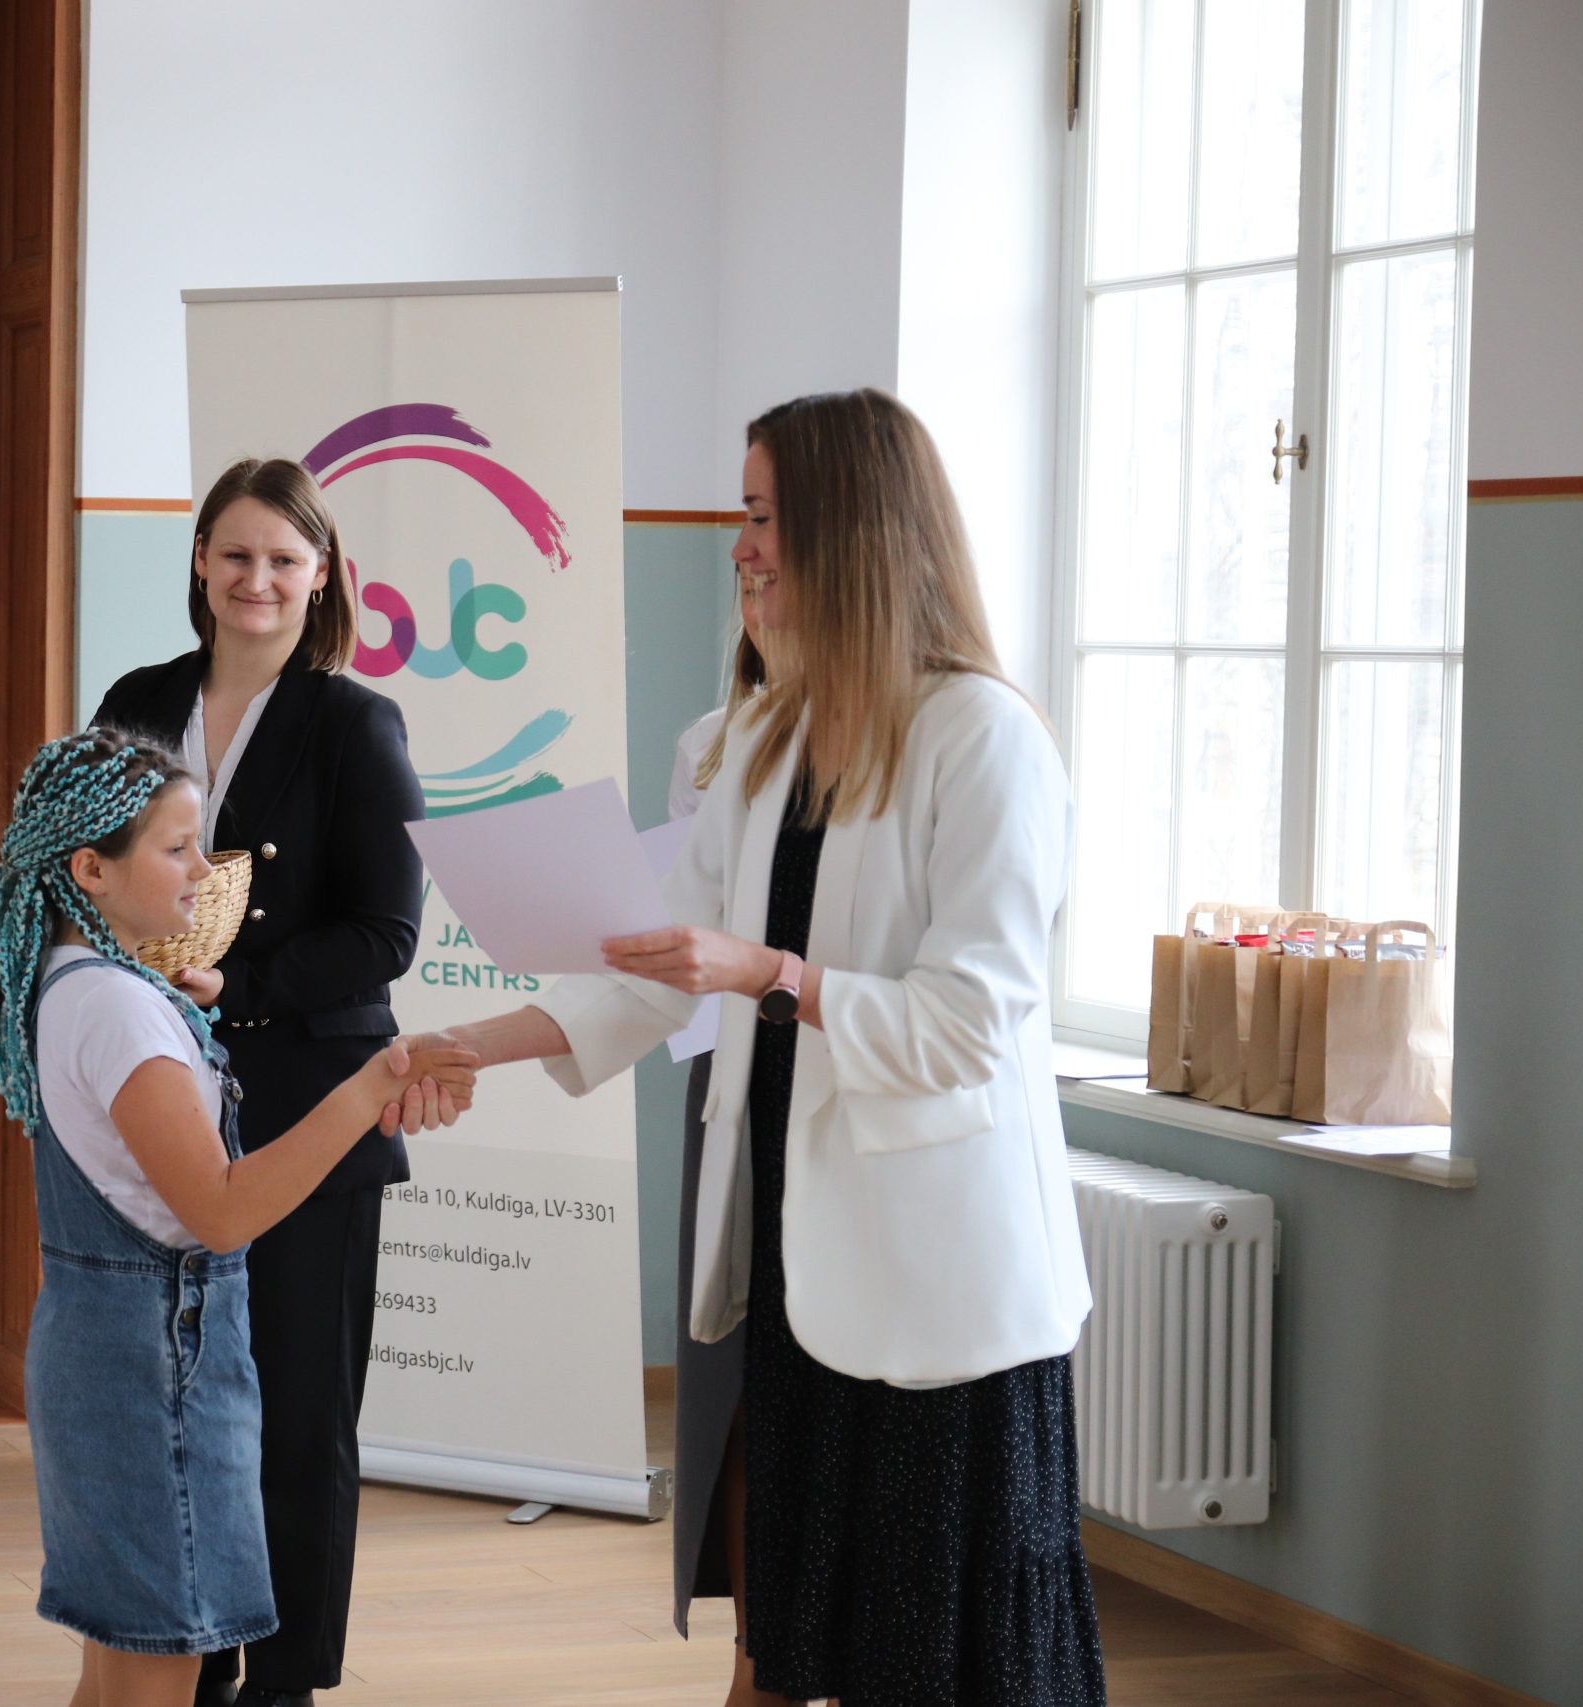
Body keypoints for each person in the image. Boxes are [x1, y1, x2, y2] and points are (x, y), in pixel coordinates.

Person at [421, 390, 1105, 1707]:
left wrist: (773, 976)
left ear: (851, 529)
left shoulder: (986, 738)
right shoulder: (767, 736)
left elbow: (969, 1023)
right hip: (800, 1254)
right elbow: (650, 959)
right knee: (793, 1637)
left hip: (941, 1277)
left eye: (761, 515)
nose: (738, 546)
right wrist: (467, 1042)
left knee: (938, 1658)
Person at [0, 727, 474, 1707]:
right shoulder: (119, 1010)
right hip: (158, 1371)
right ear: (91, 870)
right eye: (177, 847)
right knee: (157, 1667)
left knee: (117, 1665)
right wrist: (367, 1089)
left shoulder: (74, 982)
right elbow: (223, 1213)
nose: (206, 870)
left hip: (102, 1357)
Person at [89, 457, 423, 1707]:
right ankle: (196, 1657)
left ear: (321, 575)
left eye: (284, 559)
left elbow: (386, 935)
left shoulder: (354, 724)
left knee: (296, 1419)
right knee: (185, 1415)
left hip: (309, 1112)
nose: (257, 580)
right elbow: (81, 869)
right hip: (156, 1101)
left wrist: (237, 985)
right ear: (198, 562)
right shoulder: (136, 700)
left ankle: (280, 1685)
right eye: (235, 554)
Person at [660, 556, 764, 1661]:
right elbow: (673, 935)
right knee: (728, 1388)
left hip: (837, 1090)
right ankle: (757, 1662)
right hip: (723, 1080)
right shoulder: (712, 744)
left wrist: (765, 968)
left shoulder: (962, 735)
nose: (751, 572)